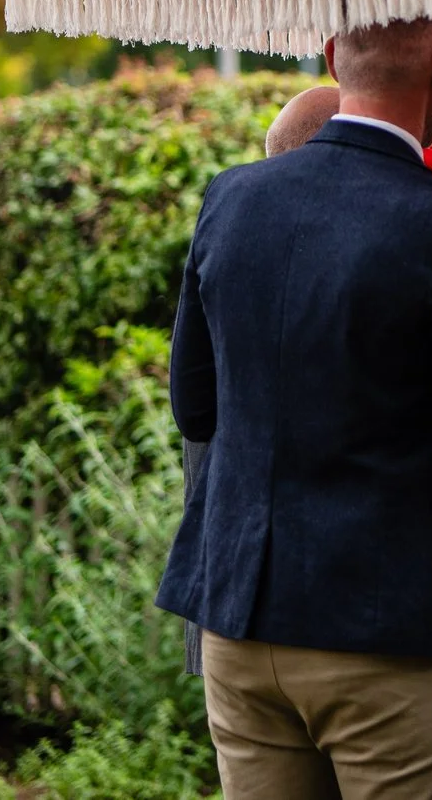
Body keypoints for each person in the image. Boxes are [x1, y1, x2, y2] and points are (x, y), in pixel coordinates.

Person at [160, 17, 432, 800]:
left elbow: (194, 406)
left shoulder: (231, 196)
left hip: (239, 617)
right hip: (390, 630)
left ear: (333, 58)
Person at [180, 83, 345, 687]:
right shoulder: (354, 264)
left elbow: (191, 407)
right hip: (340, 617)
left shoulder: (226, 225)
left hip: (227, 595)